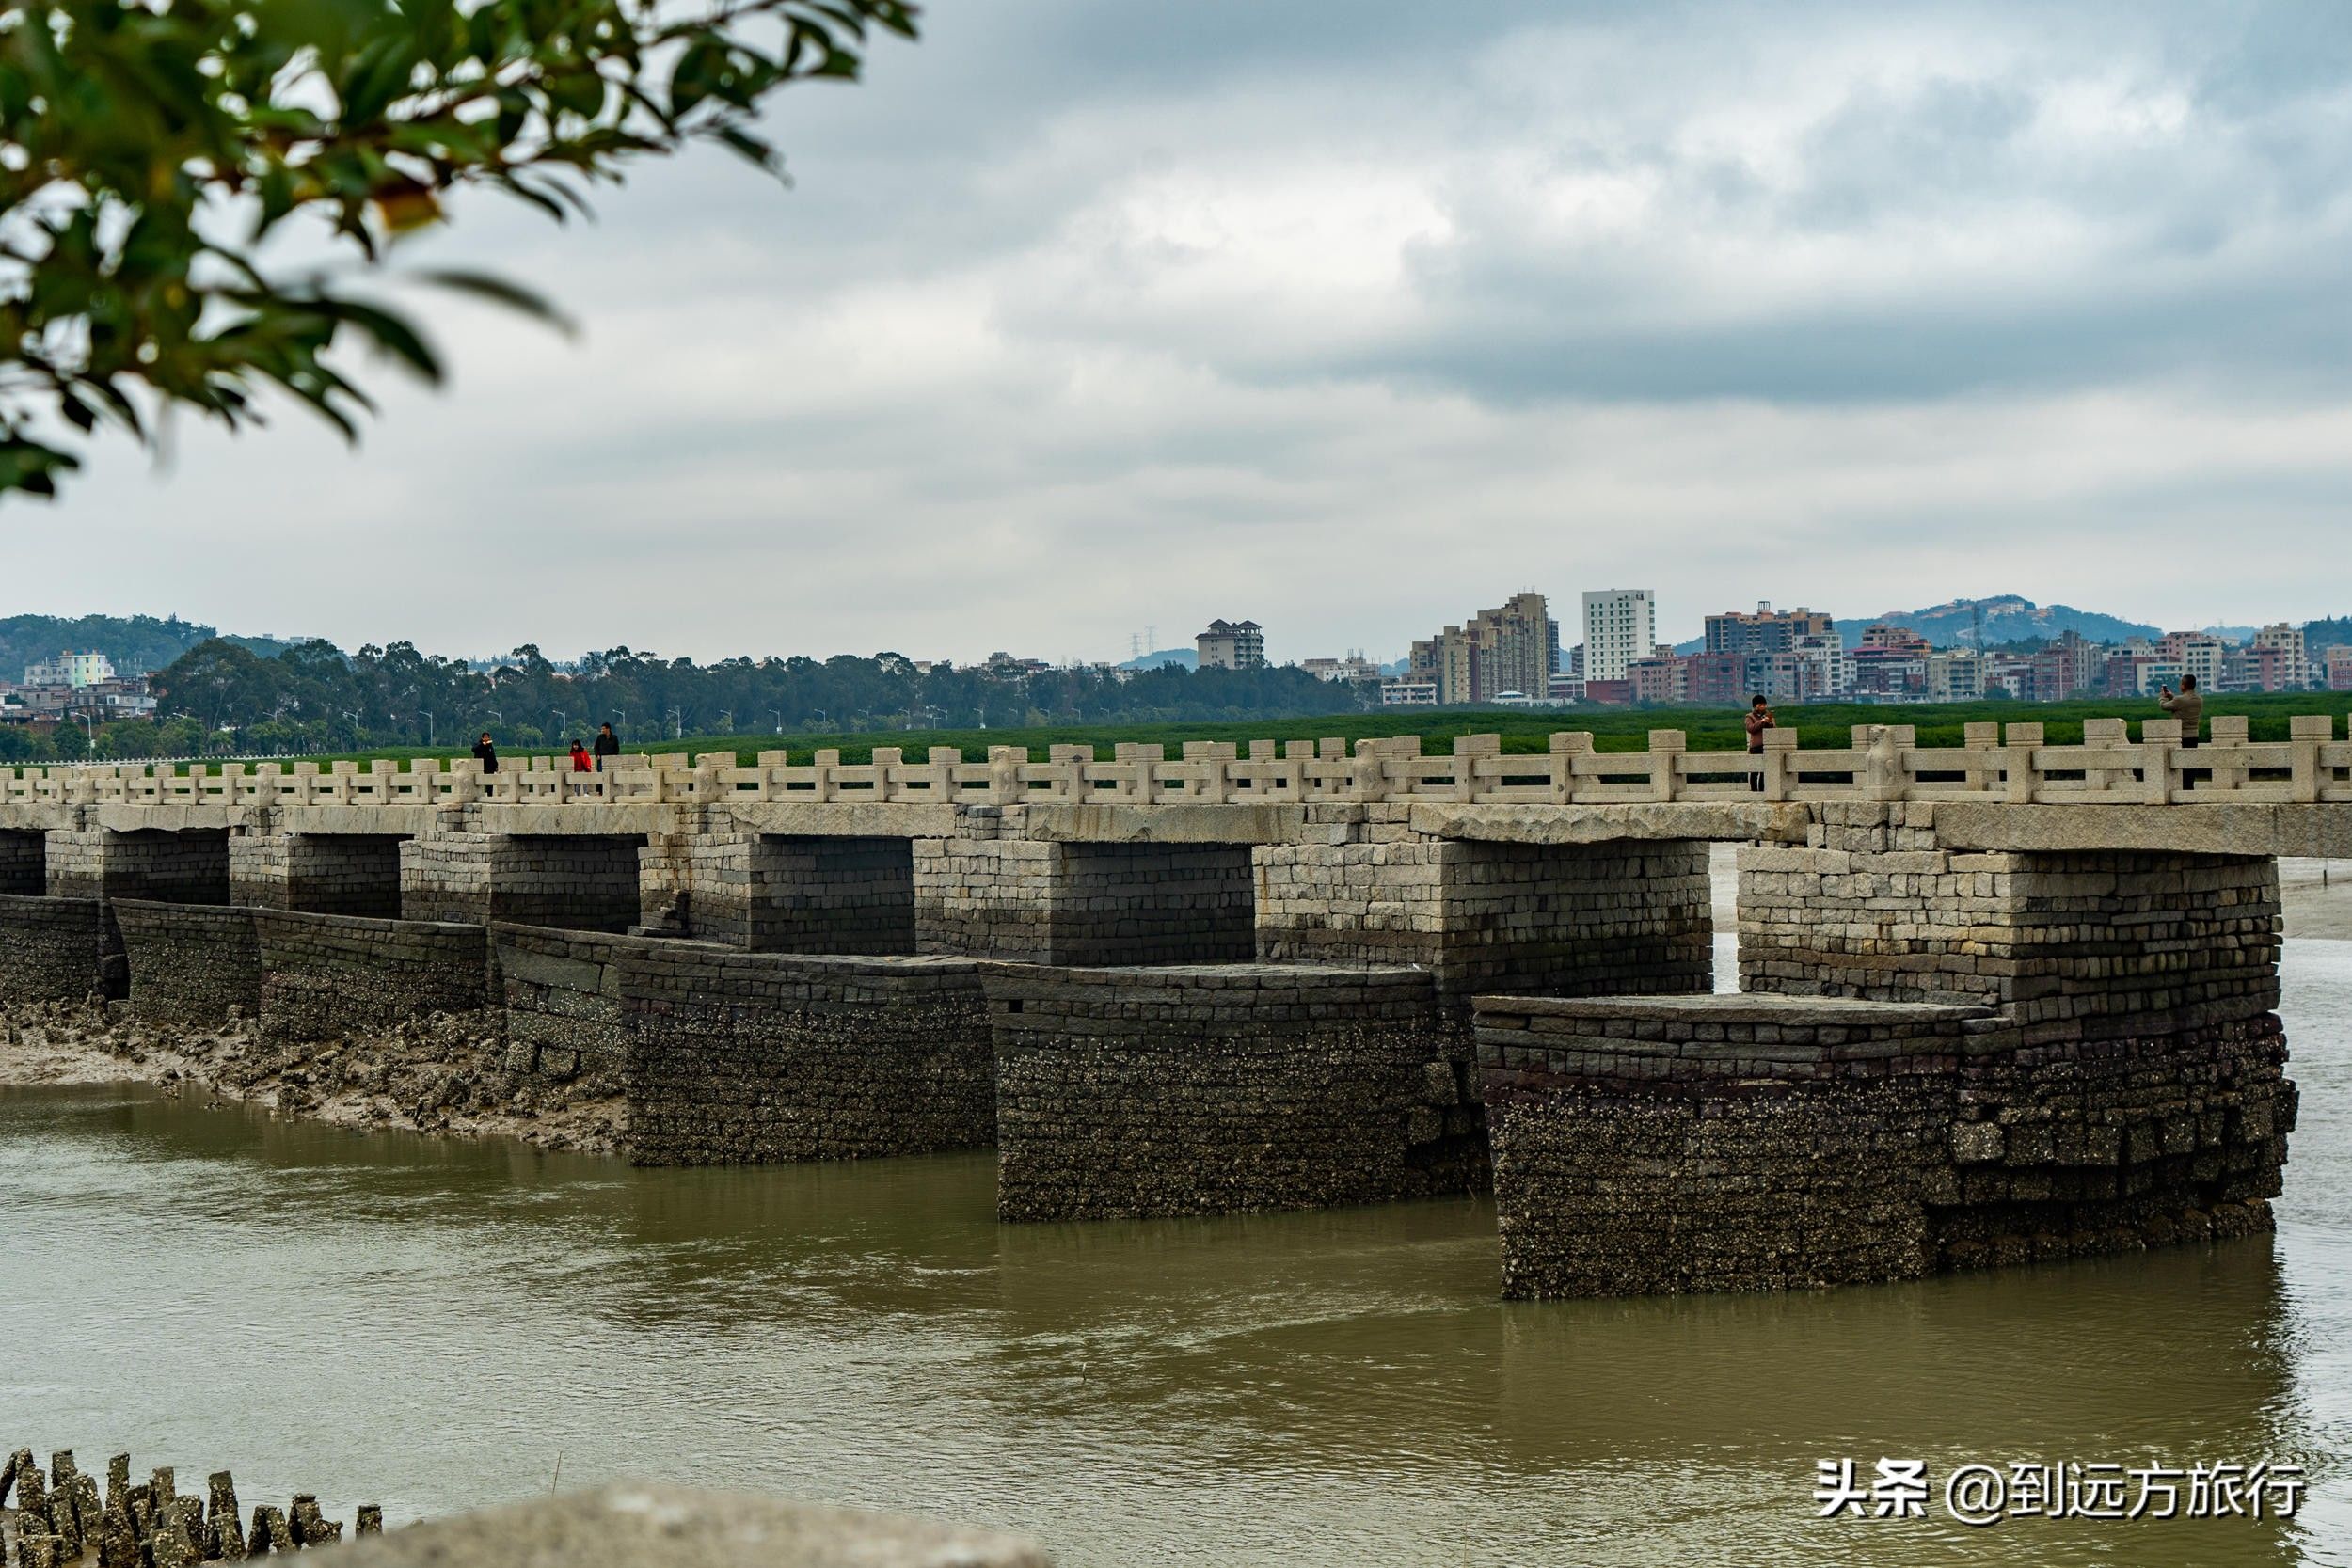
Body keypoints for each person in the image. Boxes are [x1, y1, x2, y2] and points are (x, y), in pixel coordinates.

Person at [2157, 673, 2203, 748]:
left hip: (2182, 736)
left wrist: (2162, 697)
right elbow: (2183, 704)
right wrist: (2172, 696)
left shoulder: (2179, 700)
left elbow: (2163, 706)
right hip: (2194, 735)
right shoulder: (2199, 699)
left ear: (2183, 686)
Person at [1743, 694, 1774, 792]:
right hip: (1756, 747)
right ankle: (1754, 792)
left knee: (1764, 771)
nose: (1763, 707)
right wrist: (1761, 722)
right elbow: (1751, 729)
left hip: (1767, 747)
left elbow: (1774, 729)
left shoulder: (1768, 716)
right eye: (1760, 705)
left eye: (1764, 705)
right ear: (1755, 706)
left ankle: (1762, 791)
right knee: (1754, 771)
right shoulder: (1749, 717)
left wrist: (1769, 722)